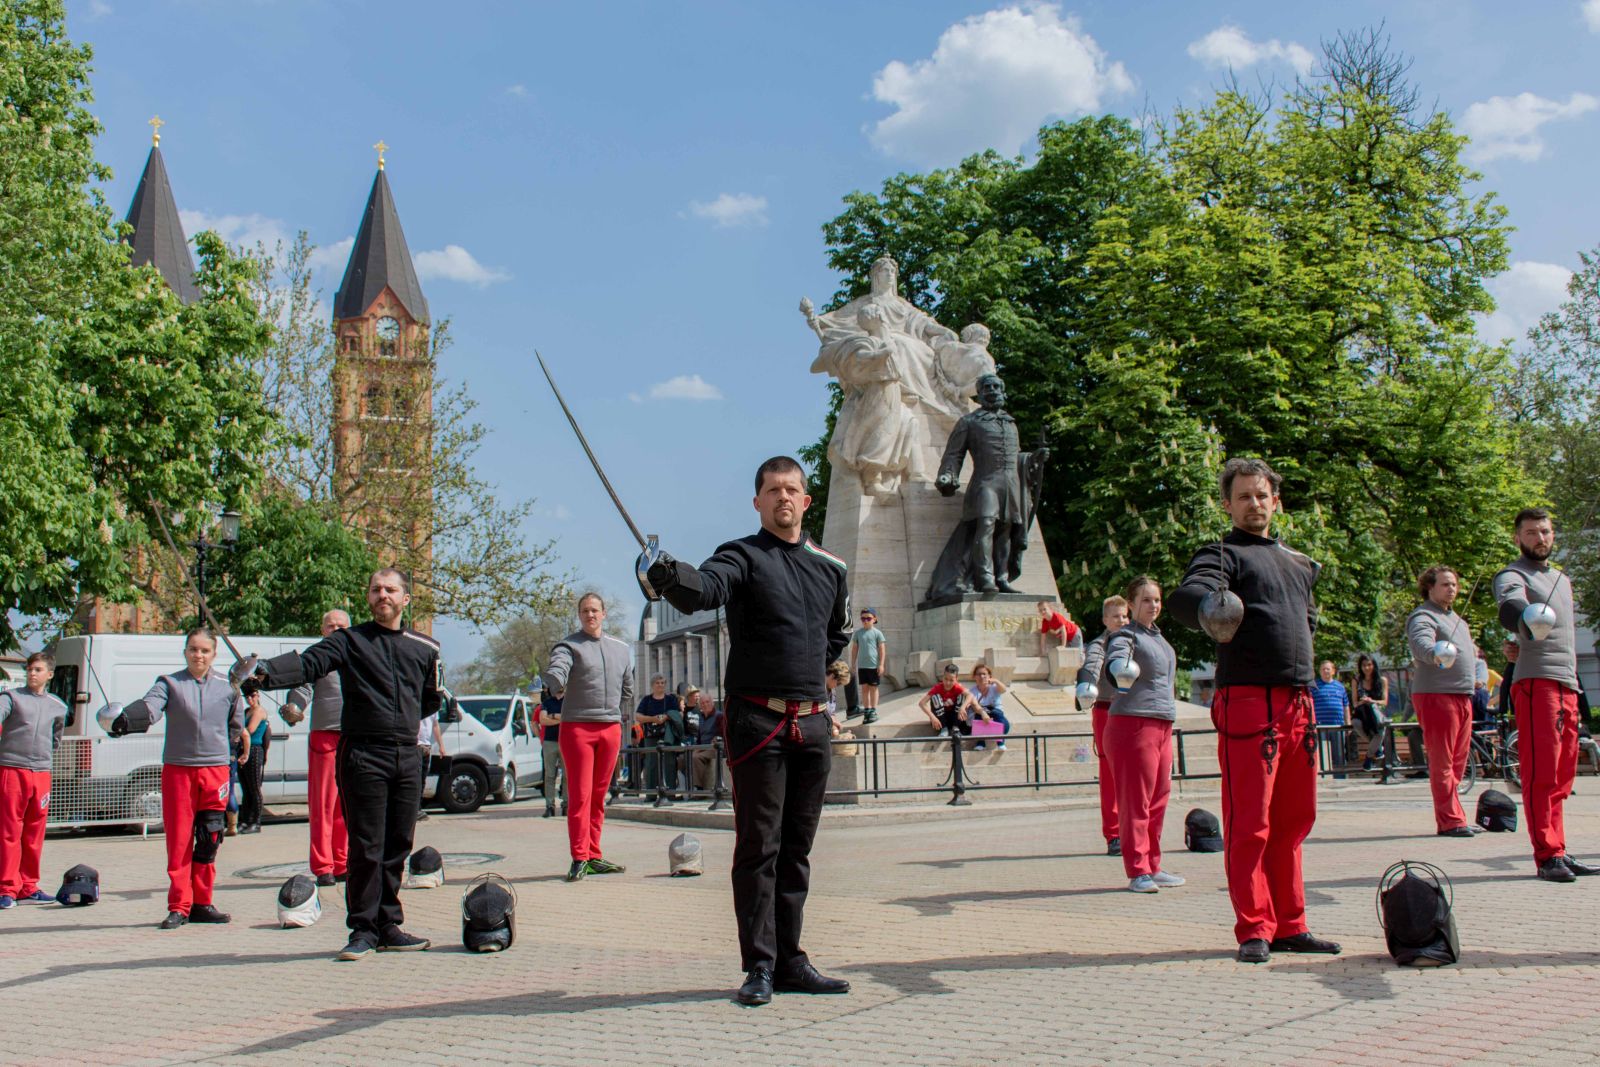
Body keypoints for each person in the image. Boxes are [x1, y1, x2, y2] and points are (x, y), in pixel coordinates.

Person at [645, 455, 852, 1006]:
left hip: (811, 723)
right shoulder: (741, 555)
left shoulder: (831, 567)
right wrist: (668, 574)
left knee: (798, 850)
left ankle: (792, 960)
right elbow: (705, 590)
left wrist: (814, 675)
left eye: (793, 490)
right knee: (759, 846)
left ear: (807, 501)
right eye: (772, 490)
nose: (783, 498)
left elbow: (838, 634)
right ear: (757, 502)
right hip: (758, 720)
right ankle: (758, 965)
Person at [1169, 457, 1341, 964]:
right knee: (1251, 821)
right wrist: (1206, 606)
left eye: (1262, 495)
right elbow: (1190, 594)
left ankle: (1291, 923)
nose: (1254, 503)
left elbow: (1305, 622)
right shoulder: (1222, 554)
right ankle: (1254, 926)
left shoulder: (1300, 562)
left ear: (1276, 500)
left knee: (1295, 820)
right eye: (1243, 496)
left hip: (1300, 702)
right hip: (1249, 701)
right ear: (1228, 504)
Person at [248, 568, 442, 960]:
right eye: (375, 589)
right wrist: (266, 674)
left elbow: (429, 700)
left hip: (406, 755)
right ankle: (363, 929)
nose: (382, 595)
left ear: (406, 598)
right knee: (366, 845)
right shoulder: (349, 641)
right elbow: (310, 663)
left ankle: (389, 924)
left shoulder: (426, 648)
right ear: (368, 598)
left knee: (397, 845)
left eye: (391, 589)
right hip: (363, 754)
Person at [1493, 506, 1597, 882]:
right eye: (1532, 532)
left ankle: (1560, 849)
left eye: (1546, 531)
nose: (1540, 538)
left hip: (1567, 684)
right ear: (1518, 537)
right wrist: (1521, 620)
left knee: (1563, 775)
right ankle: (1546, 855)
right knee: (1541, 773)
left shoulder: (1562, 580)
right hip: (1536, 683)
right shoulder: (1512, 574)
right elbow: (1510, 604)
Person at [128, 628, 250, 929]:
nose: (199, 655)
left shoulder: (229, 687)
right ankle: (179, 905)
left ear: (214, 654)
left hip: (215, 770)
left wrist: (226, 751)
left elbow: (236, 726)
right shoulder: (168, 683)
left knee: (210, 836)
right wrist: (128, 718)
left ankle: (202, 903)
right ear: (185, 651)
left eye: (205, 650)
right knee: (179, 839)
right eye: (193, 649)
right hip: (178, 770)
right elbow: (150, 707)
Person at [545, 592, 633, 882]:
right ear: (579, 616)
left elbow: (628, 689)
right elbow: (559, 666)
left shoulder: (621, 649)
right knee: (580, 796)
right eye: (585, 611)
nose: (590, 615)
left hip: (610, 727)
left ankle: (594, 854)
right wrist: (555, 678)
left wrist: (614, 710)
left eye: (595, 610)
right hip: (578, 729)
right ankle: (579, 856)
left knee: (599, 796)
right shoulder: (569, 645)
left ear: (604, 614)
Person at [1104, 577, 1183, 894]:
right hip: (1133, 723)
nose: (1153, 605)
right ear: (1132, 604)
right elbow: (1116, 657)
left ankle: (1152, 864)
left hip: (1162, 722)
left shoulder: (1160, 640)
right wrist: (1118, 667)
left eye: (1157, 600)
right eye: (1146, 600)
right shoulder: (1126, 636)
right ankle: (1137, 869)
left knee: (1159, 799)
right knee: (1136, 800)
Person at [1407, 565, 1482, 837]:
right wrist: (1433, 653)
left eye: (1454, 584)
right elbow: (1421, 643)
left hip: (1462, 694)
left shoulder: (1459, 621)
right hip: (1436, 694)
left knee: (1459, 760)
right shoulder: (1423, 616)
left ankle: (1456, 814)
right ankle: (1450, 820)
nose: (1451, 588)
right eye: (1445, 584)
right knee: (1443, 761)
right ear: (1430, 587)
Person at [284, 609, 351, 886]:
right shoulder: (317, 655)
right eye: (330, 625)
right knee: (323, 804)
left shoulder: (358, 654)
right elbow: (303, 687)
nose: (335, 629)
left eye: (340, 625)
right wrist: (295, 706)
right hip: (325, 735)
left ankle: (343, 862)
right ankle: (323, 865)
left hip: (353, 735)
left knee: (347, 806)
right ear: (322, 629)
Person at [0, 652, 68, 907]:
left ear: (49, 674)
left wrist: (45, 754)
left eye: (38, 669)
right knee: (9, 831)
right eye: (30, 669)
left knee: (34, 832)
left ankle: (28, 886)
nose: (32, 673)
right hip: (12, 769)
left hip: (41, 773)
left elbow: (57, 736)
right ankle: (7, 888)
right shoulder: (12, 698)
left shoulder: (58, 705)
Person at [1079, 596, 1130, 856]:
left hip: (1136, 709)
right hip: (1106, 708)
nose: (1121, 621)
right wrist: (1086, 682)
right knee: (1109, 772)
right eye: (1115, 617)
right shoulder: (1099, 644)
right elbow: (1092, 663)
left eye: (1124, 616)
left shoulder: (1137, 640)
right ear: (1105, 620)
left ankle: (1135, 830)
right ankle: (1113, 833)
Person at [635, 675, 682, 797]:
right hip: (650, 735)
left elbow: (679, 714)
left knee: (670, 763)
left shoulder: (671, 699)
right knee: (651, 763)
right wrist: (653, 718)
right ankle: (651, 794)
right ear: (652, 685)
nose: (660, 685)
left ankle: (671, 793)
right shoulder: (646, 700)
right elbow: (638, 716)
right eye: (657, 683)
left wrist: (666, 717)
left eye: (662, 682)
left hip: (668, 734)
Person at [1310, 661, 1352, 776]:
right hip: (1320, 726)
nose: (1325, 671)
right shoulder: (1314, 686)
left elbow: (1346, 706)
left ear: (1333, 671)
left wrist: (1348, 724)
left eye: (1328, 669)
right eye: (1323, 669)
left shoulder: (1340, 686)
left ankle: (1341, 777)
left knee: (1339, 753)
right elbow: (1310, 704)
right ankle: (1325, 778)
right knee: (1323, 754)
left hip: (1338, 725)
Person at [237, 689, 270, 834]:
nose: (250, 699)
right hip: (243, 748)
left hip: (255, 749)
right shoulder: (246, 711)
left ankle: (256, 822)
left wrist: (236, 731)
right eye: (247, 696)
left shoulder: (259, 711)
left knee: (254, 787)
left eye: (252, 696)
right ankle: (245, 819)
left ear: (258, 696)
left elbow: (249, 729)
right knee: (245, 788)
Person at [848, 609, 886, 725]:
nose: (865, 621)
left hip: (874, 666)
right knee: (864, 689)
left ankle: (873, 710)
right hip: (862, 667)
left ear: (874, 619)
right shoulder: (858, 633)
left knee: (873, 688)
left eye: (868, 618)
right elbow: (854, 649)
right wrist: (853, 664)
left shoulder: (877, 633)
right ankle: (867, 710)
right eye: (863, 618)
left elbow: (882, 649)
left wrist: (881, 664)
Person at [1353, 654, 1390, 772]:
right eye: (1363, 665)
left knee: (1380, 730)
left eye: (1369, 665)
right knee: (1356, 723)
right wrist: (1362, 702)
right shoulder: (1356, 680)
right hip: (1362, 713)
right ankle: (1378, 748)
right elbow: (1354, 702)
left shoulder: (1382, 680)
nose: (1366, 668)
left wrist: (1371, 701)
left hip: (1376, 712)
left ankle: (1368, 757)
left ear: (1374, 665)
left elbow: (1384, 702)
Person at [919, 663, 978, 736]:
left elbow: (970, 695)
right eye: (945, 679)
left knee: (962, 696)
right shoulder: (937, 688)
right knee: (935, 697)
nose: (947, 683)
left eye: (951, 680)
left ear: (956, 679)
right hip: (940, 719)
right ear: (942, 677)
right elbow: (922, 703)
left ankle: (956, 728)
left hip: (954, 717)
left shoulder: (957, 687)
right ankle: (944, 729)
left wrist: (963, 707)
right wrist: (932, 716)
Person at [969, 662, 1011, 751]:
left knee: (998, 716)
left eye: (984, 674)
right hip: (981, 712)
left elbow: (1003, 690)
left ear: (989, 676)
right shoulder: (972, 691)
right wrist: (983, 713)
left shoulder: (994, 687)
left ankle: (1000, 742)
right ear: (974, 677)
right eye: (979, 674)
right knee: (978, 717)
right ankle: (980, 743)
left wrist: (995, 680)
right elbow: (975, 707)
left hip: (996, 712)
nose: (982, 676)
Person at [537, 686, 565, 818]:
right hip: (549, 742)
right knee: (549, 775)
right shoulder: (547, 702)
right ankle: (550, 806)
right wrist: (560, 718)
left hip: (566, 741)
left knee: (568, 776)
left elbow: (570, 718)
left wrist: (552, 716)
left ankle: (566, 805)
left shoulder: (569, 702)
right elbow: (542, 720)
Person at [413, 709, 445, 822]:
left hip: (426, 746)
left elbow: (435, 726)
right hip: (416, 746)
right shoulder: (416, 703)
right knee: (415, 779)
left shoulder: (432, 709)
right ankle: (413, 810)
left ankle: (418, 808)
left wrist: (441, 746)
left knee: (422, 779)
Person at [691, 692, 725, 791]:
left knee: (696, 757)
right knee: (681, 759)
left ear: (712, 703)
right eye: (702, 703)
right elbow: (699, 738)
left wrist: (699, 750)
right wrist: (696, 748)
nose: (705, 704)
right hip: (702, 747)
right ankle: (684, 787)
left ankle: (698, 788)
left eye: (707, 702)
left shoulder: (719, 716)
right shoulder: (700, 717)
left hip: (715, 748)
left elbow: (721, 735)